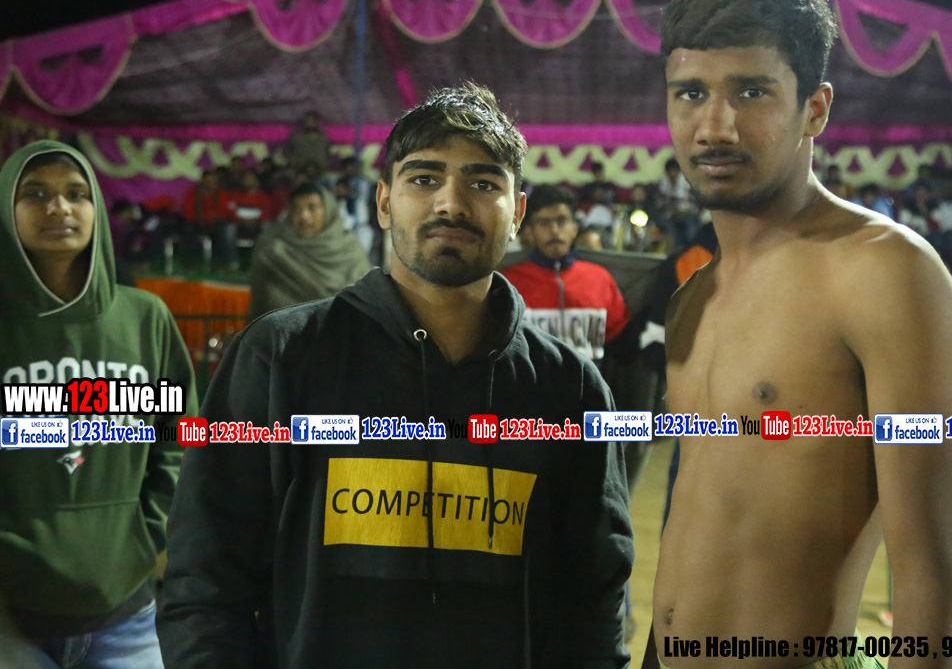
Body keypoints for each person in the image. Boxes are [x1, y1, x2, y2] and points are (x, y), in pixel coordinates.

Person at [157, 83, 633, 669]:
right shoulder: (281, 358)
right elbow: (206, 582)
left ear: (518, 214)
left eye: (484, 184)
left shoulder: (570, 391)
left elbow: (593, 603)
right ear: (383, 203)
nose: (451, 204)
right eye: (424, 179)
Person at [647, 0, 952, 669]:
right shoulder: (691, 297)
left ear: (815, 109)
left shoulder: (884, 271)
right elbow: (692, 526)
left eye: (752, 91)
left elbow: (936, 580)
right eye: (692, 93)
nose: (715, 126)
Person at [0, 141, 198, 668]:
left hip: (126, 614)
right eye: (35, 194)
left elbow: (177, 437)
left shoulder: (145, 318)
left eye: (76, 193)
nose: (58, 207)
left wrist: (147, 534)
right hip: (10, 620)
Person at [502, 184, 630, 361]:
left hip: (591, 377)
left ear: (574, 229)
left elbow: (619, 336)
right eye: (544, 223)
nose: (554, 230)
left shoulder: (600, 278)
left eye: (561, 221)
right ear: (530, 231)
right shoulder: (509, 282)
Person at [248, 182, 372, 319]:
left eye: (312, 208)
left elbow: (363, 298)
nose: (304, 216)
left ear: (328, 211)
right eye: (296, 208)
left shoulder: (348, 248)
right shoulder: (272, 248)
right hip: (282, 330)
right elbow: (259, 303)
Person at [283, 110, 332, 175]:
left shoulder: (324, 137)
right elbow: (286, 150)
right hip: (301, 170)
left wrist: (326, 163)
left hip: (319, 170)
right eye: (307, 121)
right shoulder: (296, 136)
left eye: (312, 121)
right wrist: (291, 159)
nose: (309, 123)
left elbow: (328, 152)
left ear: (317, 122)